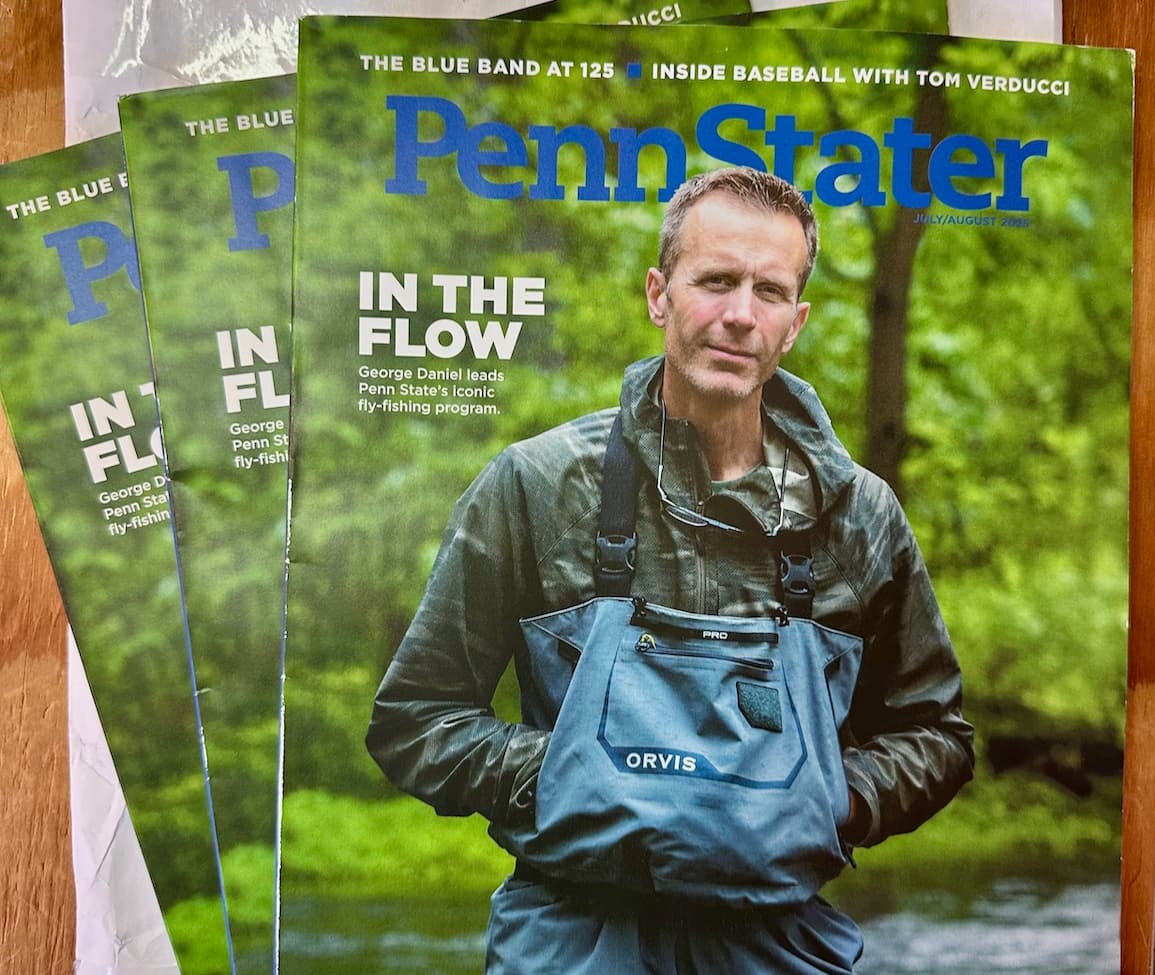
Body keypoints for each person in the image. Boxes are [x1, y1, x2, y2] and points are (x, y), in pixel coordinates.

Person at [366, 166, 974, 973]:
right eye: (715, 281)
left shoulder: (858, 515)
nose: (738, 315)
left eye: (768, 291)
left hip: (778, 943)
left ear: (795, 323)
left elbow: (935, 732)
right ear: (659, 294)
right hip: (572, 935)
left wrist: (834, 797)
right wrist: (559, 778)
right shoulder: (537, 486)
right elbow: (415, 717)